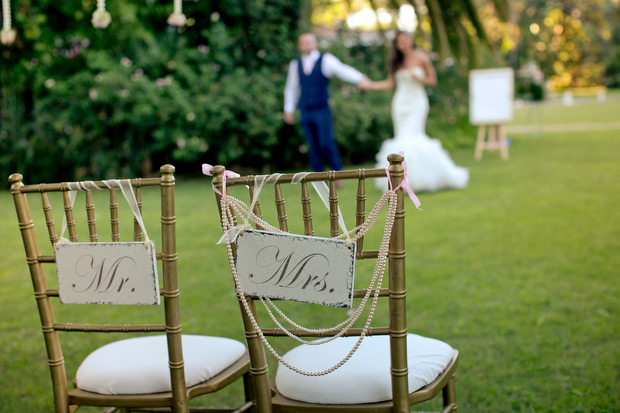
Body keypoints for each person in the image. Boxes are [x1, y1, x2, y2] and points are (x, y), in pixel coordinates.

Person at [370, 31, 469, 192]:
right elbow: (389, 83)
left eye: (404, 40)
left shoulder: (421, 56)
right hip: (400, 103)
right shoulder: (397, 61)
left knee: (413, 138)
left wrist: (418, 78)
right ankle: (401, 179)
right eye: (398, 41)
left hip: (417, 102)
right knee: (401, 138)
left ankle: (419, 179)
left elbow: (433, 80)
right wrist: (371, 85)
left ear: (411, 40)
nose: (402, 44)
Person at [284, 32, 372, 172]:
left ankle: (337, 172)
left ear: (315, 44)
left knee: (325, 142)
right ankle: (318, 179)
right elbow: (292, 88)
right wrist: (288, 108)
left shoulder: (325, 60)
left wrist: (360, 78)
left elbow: (342, 70)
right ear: (299, 46)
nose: (306, 45)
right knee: (312, 145)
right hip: (305, 109)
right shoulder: (296, 64)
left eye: (309, 42)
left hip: (321, 108)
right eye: (303, 43)